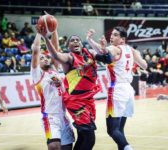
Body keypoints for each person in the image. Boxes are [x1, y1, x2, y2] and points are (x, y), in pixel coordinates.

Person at [36, 19, 114, 150]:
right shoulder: (69, 57)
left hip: (88, 99)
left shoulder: (90, 53)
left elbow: (108, 59)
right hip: (75, 100)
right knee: (89, 138)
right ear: (69, 47)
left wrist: (98, 45)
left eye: (77, 39)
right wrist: (45, 38)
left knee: (84, 136)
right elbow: (55, 55)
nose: (76, 41)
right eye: (72, 41)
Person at [86, 27, 147, 150]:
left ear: (122, 39)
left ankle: (128, 148)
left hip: (117, 90)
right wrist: (136, 56)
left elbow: (103, 52)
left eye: (115, 35)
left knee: (112, 130)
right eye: (112, 34)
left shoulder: (115, 48)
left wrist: (89, 40)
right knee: (119, 129)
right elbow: (144, 65)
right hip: (128, 91)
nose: (111, 36)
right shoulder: (131, 50)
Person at [31, 32, 74, 150]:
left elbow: (55, 48)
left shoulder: (55, 70)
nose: (45, 59)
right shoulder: (37, 74)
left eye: (46, 57)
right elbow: (35, 51)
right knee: (54, 147)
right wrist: (39, 34)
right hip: (50, 117)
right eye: (42, 58)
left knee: (67, 148)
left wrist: (54, 30)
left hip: (64, 117)